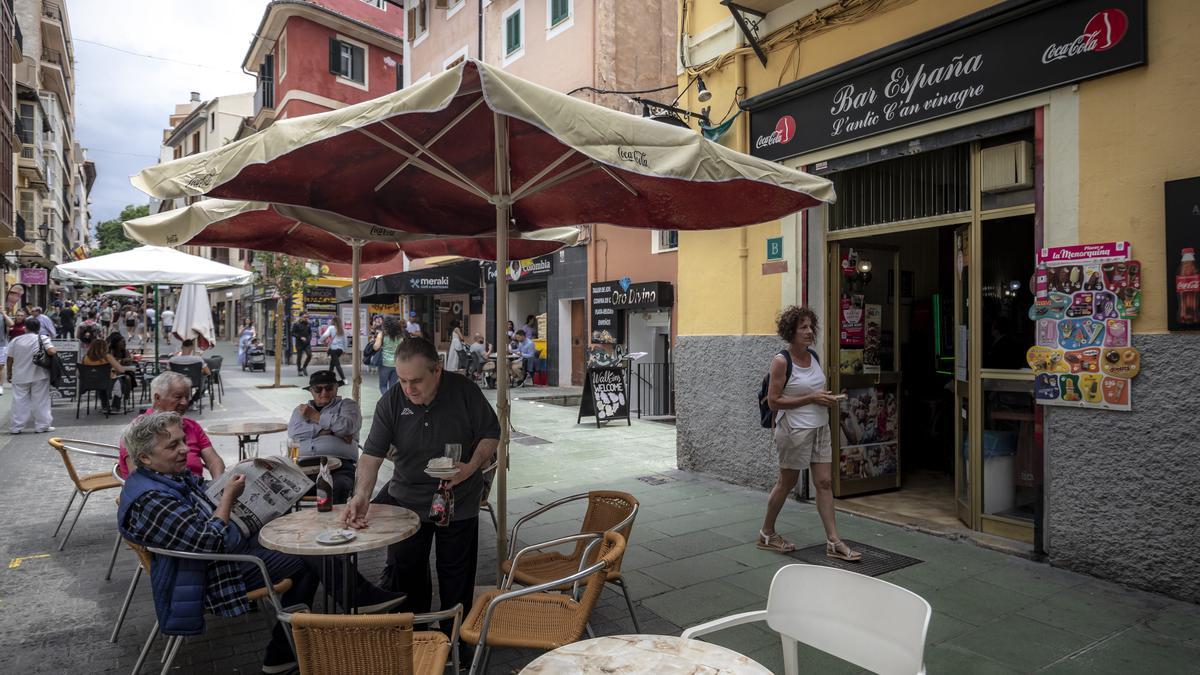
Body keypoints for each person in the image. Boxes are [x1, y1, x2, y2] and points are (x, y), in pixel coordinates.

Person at [117, 412, 404, 674]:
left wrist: (241, 476)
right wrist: (229, 496)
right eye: (172, 446)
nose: (184, 450)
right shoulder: (152, 499)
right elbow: (208, 542)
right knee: (304, 556)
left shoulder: (163, 478)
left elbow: (203, 506)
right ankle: (347, 607)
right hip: (204, 573)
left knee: (296, 539)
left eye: (182, 441)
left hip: (217, 552)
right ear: (144, 457)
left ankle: (289, 649)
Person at [344, 337, 499, 623]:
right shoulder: (392, 400)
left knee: (456, 578)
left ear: (437, 370)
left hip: (459, 501)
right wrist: (362, 494)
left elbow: (491, 434)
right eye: (402, 380)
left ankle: (457, 645)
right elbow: (371, 456)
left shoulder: (465, 391)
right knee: (408, 578)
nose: (408, 388)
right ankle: (418, 641)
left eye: (415, 380)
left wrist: (472, 466)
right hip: (406, 503)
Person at [760, 306, 860, 561]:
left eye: (810, 326)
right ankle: (767, 533)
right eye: (802, 327)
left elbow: (815, 391)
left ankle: (833, 541)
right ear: (790, 331)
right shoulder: (781, 361)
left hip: (819, 427)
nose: (808, 331)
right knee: (787, 482)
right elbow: (773, 402)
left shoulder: (813, 356)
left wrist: (825, 399)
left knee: (824, 483)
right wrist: (811, 398)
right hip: (794, 430)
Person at [118, 371, 225, 479]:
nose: (184, 402)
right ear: (157, 398)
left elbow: (214, 461)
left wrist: (218, 485)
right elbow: (138, 477)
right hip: (163, 492)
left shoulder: (191, 426)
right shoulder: (138, 430)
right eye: (178, 397)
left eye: (187, 397)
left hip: (195, 489)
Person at [287, 370, 359, 503]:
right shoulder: (301, 410)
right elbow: (294, 432)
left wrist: (315, 417)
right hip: (304, 467)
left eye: (329, 388)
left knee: (339, 486)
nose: (324, 393)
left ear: (337, 388)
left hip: (340, 466)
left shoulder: (348, 405)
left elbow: (346, 427)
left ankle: (334, 523)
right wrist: (332, 431)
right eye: (318, 389)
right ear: (311, 391)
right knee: (280, 487)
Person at [7, 317, 55, 434]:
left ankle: (16, 427)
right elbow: (52, 351)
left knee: (19, 401)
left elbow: (10, 358)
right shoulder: (42, 338)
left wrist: (9, 373)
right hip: (39, 374)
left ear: (25, 328)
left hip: (19, 375)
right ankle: (42, 426)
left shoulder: (16, 340)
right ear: (39, 328)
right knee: (41, 401)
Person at [80, 337, 134, 413]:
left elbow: (78, 373)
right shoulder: (107, 356)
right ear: (104, 347)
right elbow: (121, 369)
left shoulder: (85, 358)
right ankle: (116, 406)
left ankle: (105, 406)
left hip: (90, 383)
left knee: (103, 382)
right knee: (120, 381)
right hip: (107, 382)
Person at [373, 318, 404, 393]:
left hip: (385, 364)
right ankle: (391, 402)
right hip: (396, 364)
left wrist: (375, 341)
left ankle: (387, 402)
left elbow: (376, 347)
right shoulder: (400, 336)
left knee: (383, 386)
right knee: (392, 387)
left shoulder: (382, 334)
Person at [291, 312, 313, 377]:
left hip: (307, 343)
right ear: (300, 317)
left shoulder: (308, 324)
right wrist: (300, 337)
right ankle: (299, 370)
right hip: (299, 343)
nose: (306, 318)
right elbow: (293, 333)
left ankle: (304, 367)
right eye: (304, 317)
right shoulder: (296, 324)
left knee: (309, 355)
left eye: (307, 317)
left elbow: (310, 333)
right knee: (299, 357)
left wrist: (309, 339)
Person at [0, 308, 10, 396]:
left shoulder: (2, 317)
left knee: (1, 366)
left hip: (1, 345)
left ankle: (0, 386)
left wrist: (4, 314)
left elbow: (11, 324)